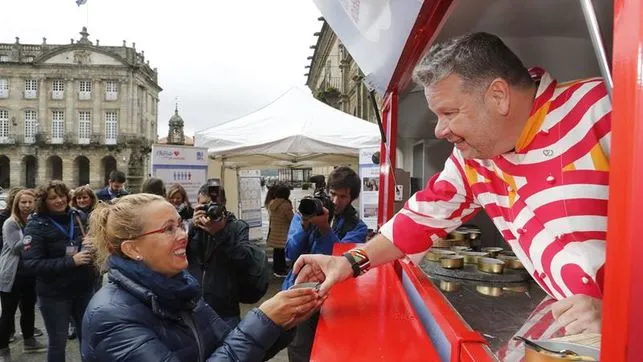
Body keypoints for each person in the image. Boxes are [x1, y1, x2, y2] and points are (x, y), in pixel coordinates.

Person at [293, 32, 610, 336]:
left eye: (449, 113)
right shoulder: (473, 159)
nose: (439, 131)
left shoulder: (602, 109)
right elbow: (420, 218)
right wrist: (349, 261)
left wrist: (619, 310)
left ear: (498, 96)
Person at [81, 193, 324, 361]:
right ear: (132, 248)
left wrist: (283, 318)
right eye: (168, 229)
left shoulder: (181, 290)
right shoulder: (110, 317)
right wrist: (264, 319)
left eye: (180, 224)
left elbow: (232, 349)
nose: (183, 235)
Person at [284, 166, 368, 362]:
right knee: (298, 347)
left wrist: (324, 228)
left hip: (333, 297)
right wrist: (304, 225)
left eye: (343, 196)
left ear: (352, 198)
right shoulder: (307, 212)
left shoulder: (357, 226)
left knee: (332, 350)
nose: (336, 201)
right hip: (300, 292)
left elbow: (340, 260)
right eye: (332, 194)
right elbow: (291, 254)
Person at [23, 181, 97, 362]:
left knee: (88, 337)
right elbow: (31, 264)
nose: (59, 200)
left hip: (83, 289)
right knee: (58, 342)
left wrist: (94, 246)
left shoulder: (78, 217)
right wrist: (71, 261)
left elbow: (94, 247)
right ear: (44, 201)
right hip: (54, 294)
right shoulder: (36, 225)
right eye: (53, 198)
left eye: (62, 195)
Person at [186, 185, 271, 326]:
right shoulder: (196, 228)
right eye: (205, 206)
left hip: (225, 309)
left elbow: (243, 258)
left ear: (224, 203)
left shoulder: (237, 226)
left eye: (214, 205)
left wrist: (219, 234)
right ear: (198, 205)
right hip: (195, 306)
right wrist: (192, 228)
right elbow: (182, 256)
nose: (210, 210)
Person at [0, 190, 47, 361]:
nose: (27, 206)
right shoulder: (10, 223)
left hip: (29, 272)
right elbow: (16, 248)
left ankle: (29, 340)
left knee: (28, 309)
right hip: (12, 273)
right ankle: (3, 348)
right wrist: (33, 234)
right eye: (23, 202)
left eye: (30, 202)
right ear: (16, 204)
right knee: (8, 312)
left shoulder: (35, 220)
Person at [266, 183, 294, 277]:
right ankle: (280, 270)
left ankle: (277, 268)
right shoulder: (286, 205)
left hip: (274, 230)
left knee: (277, 251)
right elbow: (291, 218)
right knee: (281, 251)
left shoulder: (272, 203)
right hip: (283, 231)